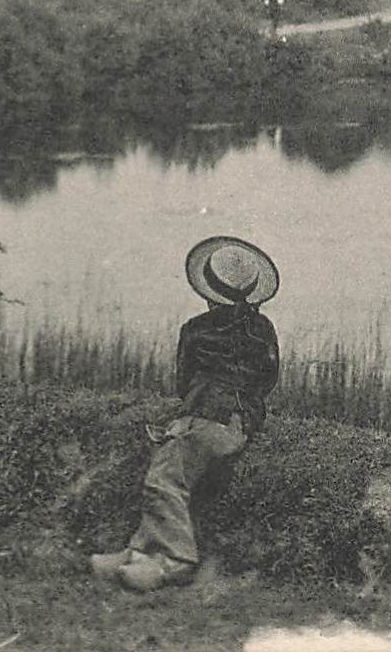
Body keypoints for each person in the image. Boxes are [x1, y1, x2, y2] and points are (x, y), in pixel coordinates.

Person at [90, 236, 281, 592]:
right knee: (165, 464)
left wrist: (201, 398)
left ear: (209, 291)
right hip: (239, 420)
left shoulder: (195, 329)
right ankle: (137, 550)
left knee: (162, 479)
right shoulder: (263, 328)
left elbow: (183, 382)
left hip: (207, 419)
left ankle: (176, 561)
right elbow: (268, 379)